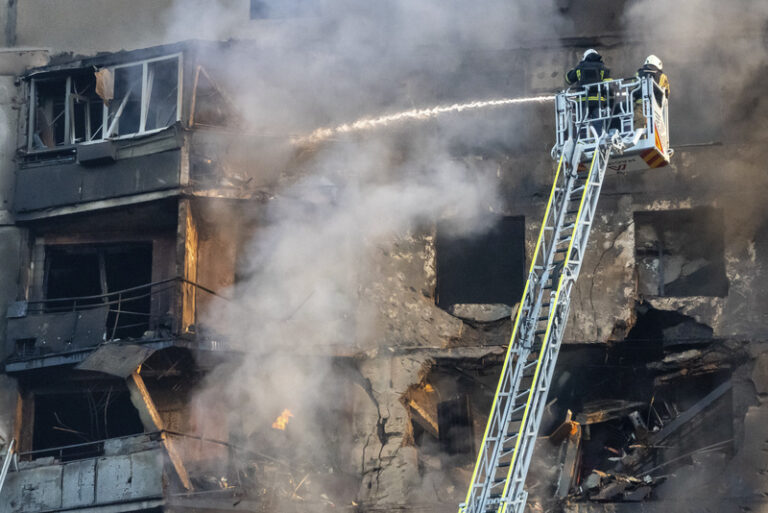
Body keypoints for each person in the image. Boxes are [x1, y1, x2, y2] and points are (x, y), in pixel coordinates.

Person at [565, 49, 611, 134]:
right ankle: (598, 139)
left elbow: (569, 80)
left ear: (585, 57)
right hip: (598, 101)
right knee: (597, 122)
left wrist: (571, 71)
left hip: (582, 101)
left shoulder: (580, 67)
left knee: (582, 123)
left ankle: (582, 140)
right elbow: (609, 84)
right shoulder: (602, 67)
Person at [634, 55, 670, 130]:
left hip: (638, 105)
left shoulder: (638, 73)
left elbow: (634, 88)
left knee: (639, 124)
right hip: (654, 107)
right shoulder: (662, 76)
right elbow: (667, 93)